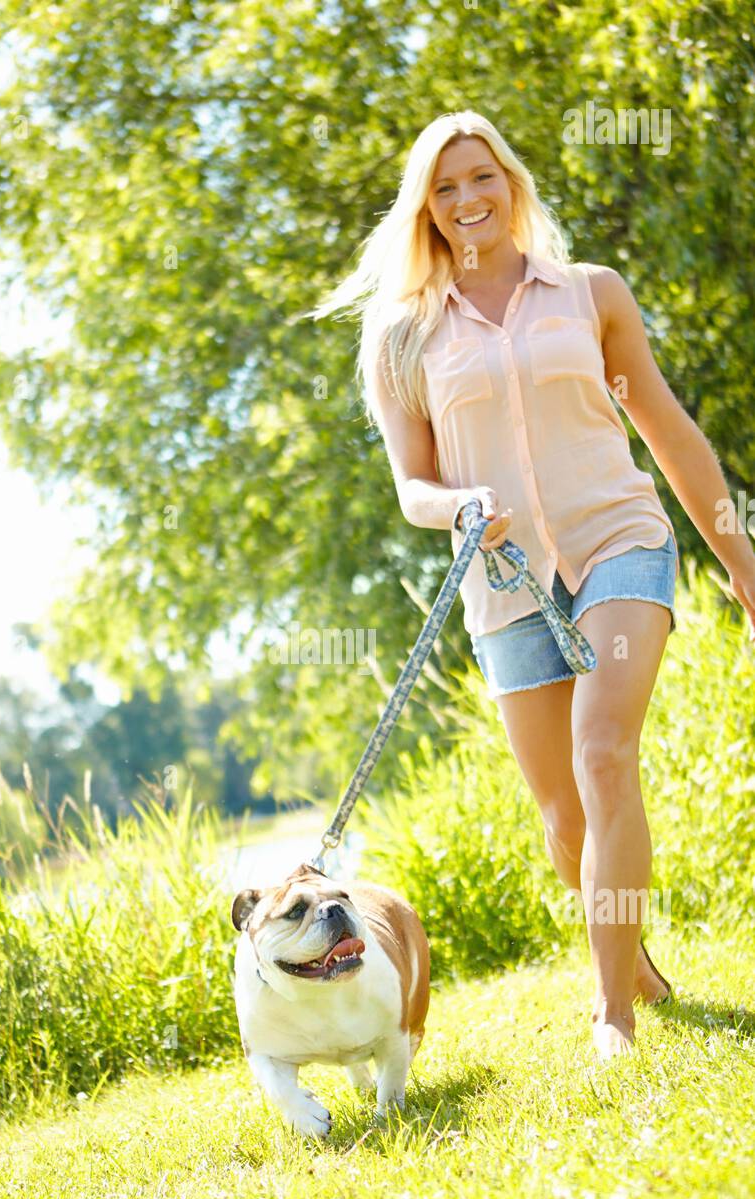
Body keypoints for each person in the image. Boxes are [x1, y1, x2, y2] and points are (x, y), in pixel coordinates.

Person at [311, 111, 755, 1060]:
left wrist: (738, 554)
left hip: (617, 541)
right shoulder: (401, 338)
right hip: (504, 583)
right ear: (425, 211)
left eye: (482, 178)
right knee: (561, 814)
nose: (468, 199)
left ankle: (613, 1017)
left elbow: (666, 430)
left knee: (604, 756)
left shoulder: (589, 294)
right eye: (446, 188)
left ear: (511, 183)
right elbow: (411, 487)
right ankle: (629, 949)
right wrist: (460, 504)